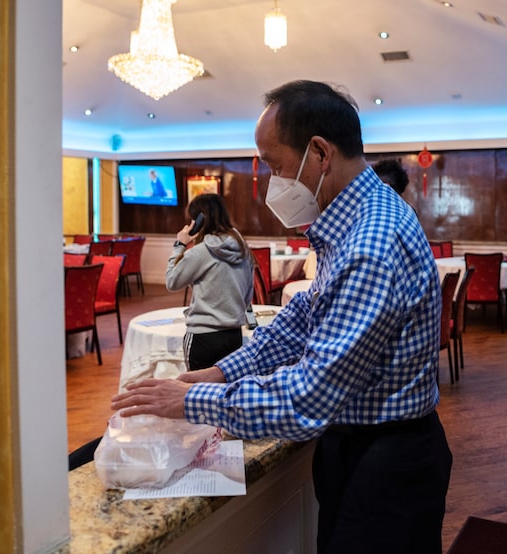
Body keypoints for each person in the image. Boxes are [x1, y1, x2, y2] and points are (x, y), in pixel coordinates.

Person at [111, 80, 452, 553]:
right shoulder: (353, 221)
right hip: (361, 444)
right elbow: (303, 320)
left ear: (319, 154)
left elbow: (308, 397)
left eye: (275, 166)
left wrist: (191, 402)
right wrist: (216, 372)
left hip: (387, 459)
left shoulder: (371, 242)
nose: (273, 182)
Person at [166, 193, 254, 371]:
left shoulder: (201, 252)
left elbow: (172, 281)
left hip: (203, 337)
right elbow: (247, 296)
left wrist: (180, 244)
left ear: (198, 222)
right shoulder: (244, 249)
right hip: (234, 335)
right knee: (227, 394)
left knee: (197, 394)